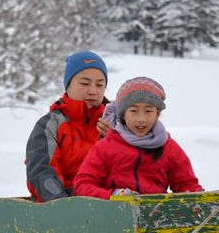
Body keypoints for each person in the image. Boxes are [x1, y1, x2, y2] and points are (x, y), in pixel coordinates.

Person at [73, 76, 204, 197]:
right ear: (123, 114)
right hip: (113, 215)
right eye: (134, 111)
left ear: (157, 114)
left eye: (148, 111)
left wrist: (197, 198)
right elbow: (83, 184)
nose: (141, 119)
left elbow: (186, 184)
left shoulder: (169, 147)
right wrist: (113, 197)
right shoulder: (106, 147)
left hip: (154, 215)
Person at [26, 50, 109, 202]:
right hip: (67, 206)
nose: (93, 91)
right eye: (85, 83)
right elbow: (42, 171)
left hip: (111, 204)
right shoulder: (50, 125)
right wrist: (62, 207)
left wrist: (116, 139)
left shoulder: (116, 125)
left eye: (100, 84)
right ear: (68, 85)